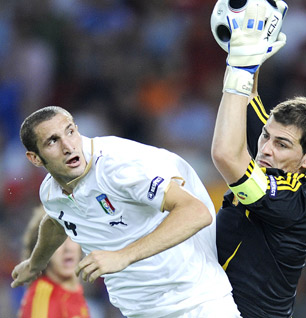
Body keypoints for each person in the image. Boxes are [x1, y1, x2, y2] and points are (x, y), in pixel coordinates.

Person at [10, 106, 242, 318]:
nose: (68, 146)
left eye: (70, 132)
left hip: (198, 303)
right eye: (52, 141)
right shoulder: (51, 193)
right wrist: (35, 264)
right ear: (35, 158)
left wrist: (123, 256)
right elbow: (57, 221)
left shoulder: (119, 166)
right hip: (139, 312)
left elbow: (196, 212)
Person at [211, 0, 306, 317]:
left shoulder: (291, 203)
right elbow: (247, 94)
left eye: (281, 144)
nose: (265, 148)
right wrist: (253, 50)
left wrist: (240, 65)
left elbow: (225, 154)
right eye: (266, 135)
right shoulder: (271, 152)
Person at [17, 205, 90, 318]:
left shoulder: (74, 292)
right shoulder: (44, 298)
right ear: (42, 251)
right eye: (58, 240)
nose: (67, 248)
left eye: (71, 236)